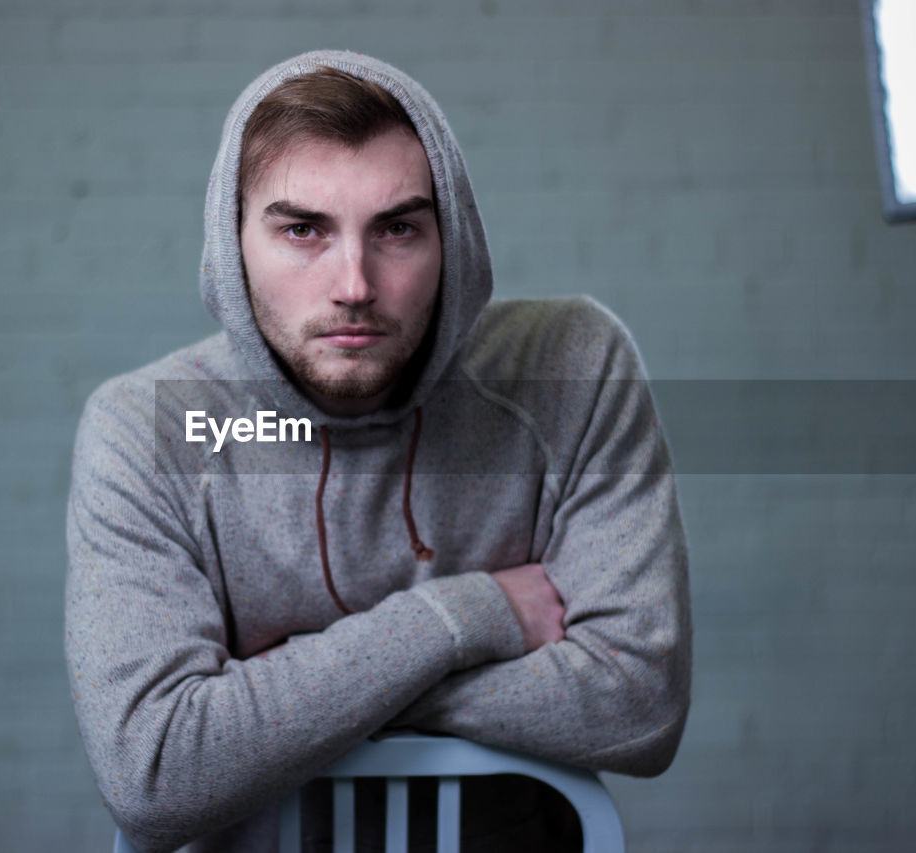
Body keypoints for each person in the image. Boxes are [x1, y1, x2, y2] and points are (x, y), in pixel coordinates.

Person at [65, 50, 691, 853]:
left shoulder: (566, 368)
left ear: (452, 235)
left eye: (397, 228)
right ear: (232, 243)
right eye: (302, 230)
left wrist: (281, 681)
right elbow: (154, 767)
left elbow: (637, 699)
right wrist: (469, 615)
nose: (354, 283)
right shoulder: (152, 427)